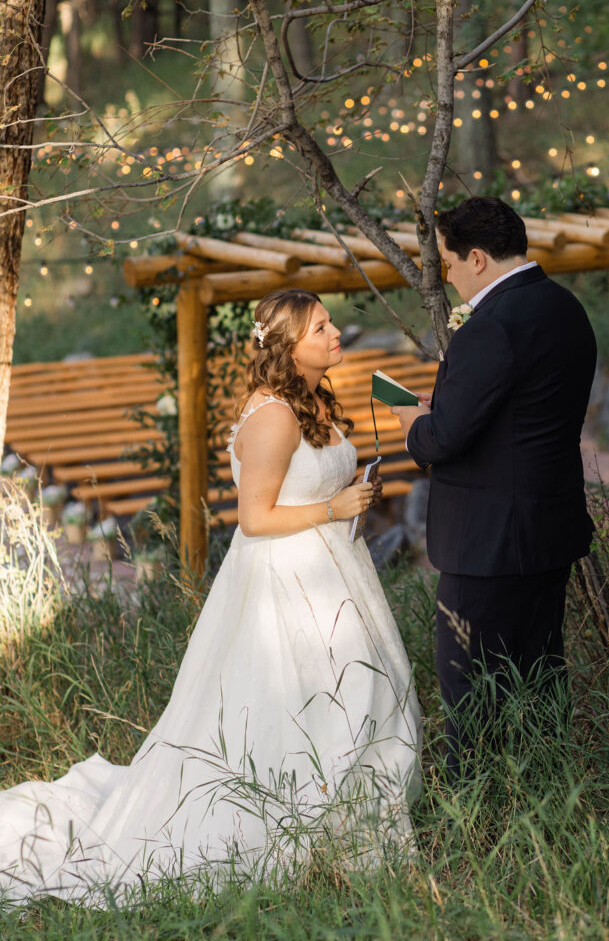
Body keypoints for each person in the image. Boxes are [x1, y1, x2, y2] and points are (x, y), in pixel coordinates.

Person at [0, 288, 422, 906]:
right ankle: (301, 829)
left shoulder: (310, 400)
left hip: (335, 569)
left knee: (357, 690)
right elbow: (253, 518)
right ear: (287, 347)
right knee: (314, 699)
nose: (335, 335)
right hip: (288, 580)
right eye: (320, 329)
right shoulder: (275, 414)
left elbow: (305, 484)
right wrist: (335, 505)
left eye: (331, 324)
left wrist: (350, 490)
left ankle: (348, 833)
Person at [392, 196, 596, 779]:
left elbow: (441, 441)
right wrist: (452, 410)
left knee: (470, 690)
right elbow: (524, 413)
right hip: (549, 527)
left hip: (489, 542)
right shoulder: (564, 308)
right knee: (538, 674)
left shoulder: (492, 326)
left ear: (478, 258)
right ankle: (549, 792)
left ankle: (475, 814)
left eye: (450, 263)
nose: (447, 275)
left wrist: (415, 423)